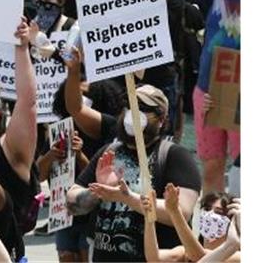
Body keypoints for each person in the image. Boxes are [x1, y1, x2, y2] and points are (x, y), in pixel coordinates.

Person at [66, 85, 201, 262]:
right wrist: (97, 192)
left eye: (143, 109)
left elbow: (181, 212)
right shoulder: (110, 152)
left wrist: (127, 198)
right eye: (130, 106)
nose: (133, 114)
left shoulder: (175, 156)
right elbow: (71, 202)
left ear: (161, 119)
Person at [172, 0, 241, 193]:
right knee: (211, 166)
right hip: (207, 92)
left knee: (241, 169)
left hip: (241, 96)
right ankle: (210, 229)